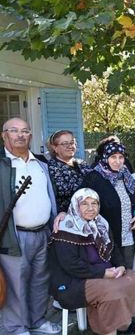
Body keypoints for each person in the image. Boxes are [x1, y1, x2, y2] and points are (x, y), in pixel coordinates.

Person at [48, 189, 135, 335]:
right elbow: (71, 265)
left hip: (102, 272)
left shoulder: (101, 223)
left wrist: (120, 265)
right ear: (76, 205)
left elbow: (113, 249)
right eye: (84, 204)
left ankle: (124, 324)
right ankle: (108, 330)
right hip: (74, 281)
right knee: (110, 291)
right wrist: (103, 273)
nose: (90, 208)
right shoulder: (65, 228)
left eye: (94, 203)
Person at [0, 118, 62, 335]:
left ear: (30, 135)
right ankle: (15, 328)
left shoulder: (40, 163)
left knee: (39, 281)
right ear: (4, 135)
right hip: (13, 236)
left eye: (25, 131)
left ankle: (36, 321)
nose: (20, 135)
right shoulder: (2, 164)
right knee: (15, 284)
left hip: (42, 233)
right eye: (14, 131)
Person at [82, 142, 135, 269]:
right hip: (106, 236)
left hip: (128, 235)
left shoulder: (126, 176)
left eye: (121, 157)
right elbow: (81, 201)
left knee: (127, 269)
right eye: (113, 157)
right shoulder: (95, 177)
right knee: (112, 272)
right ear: (105, 157)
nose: (117, 161)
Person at [47, 129, 91, 213]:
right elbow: (64, 191)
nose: (70, 146)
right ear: (55, 148)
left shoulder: (82, 163)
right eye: (65, 143)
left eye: (72, 142)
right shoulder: (51, 167)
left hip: (88, 212)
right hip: (65, 215)